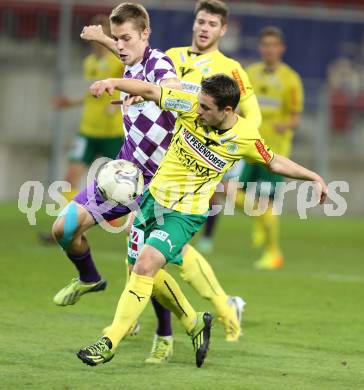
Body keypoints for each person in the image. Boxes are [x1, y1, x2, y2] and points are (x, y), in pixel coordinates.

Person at [76, 73, 327, 368]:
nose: (198, 111)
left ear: (227, 111)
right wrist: (113, 82)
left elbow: (273, 160)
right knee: (143, 274)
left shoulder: (245, 136)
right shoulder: (188, 104)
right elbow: (148, 89)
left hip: (185, 215)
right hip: (151, 203)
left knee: (145, 266)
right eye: (199, 104)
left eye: (206, 108)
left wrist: (313, 176)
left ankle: (109, 343)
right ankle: (194, 322)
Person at [52, 3, 242, 363]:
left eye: (127, 38)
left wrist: (142, 87)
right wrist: (103, 38)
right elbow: (129, 52)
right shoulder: (132, 58)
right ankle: (91, 278)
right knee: (63, 229)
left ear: (146, 35)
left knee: (146, 267)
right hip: (123, 175)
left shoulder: (159, 65)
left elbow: (169, 84)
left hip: (157, 186)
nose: (121, 46)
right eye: (118, 39)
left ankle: (169, 332)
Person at [169, 0, 262, 255]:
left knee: (166, 240)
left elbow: (254, 115)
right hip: (164, 151)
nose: (204, 28)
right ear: (194, 23)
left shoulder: (232, 69)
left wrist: (232, 144)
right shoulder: (171, 57)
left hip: (199, 154)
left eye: (212, 24)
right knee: (154, 239)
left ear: (223, 30)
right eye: (201, 22)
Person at [39, 14, 124, 244]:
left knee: (121, 182)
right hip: (87, 130)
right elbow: (92, 94)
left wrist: (117, 107)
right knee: (70, 177)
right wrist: (71, 102)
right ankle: (67, 225)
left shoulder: (118, 61)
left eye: (103, 34)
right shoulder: (90, 63)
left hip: (113, 132)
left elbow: (132, 82)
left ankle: (128, 224)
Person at [240, 27, 304, 269]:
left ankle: (273, 253)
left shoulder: (291, 79)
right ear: (260, 48)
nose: (269, 49)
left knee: (266, 202)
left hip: (274, 153)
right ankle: (261, 218)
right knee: (230, 191)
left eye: (273, 45)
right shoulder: (250, 74)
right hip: (248, 147)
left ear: (281, 49)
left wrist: (283, 125)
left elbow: (295, 118)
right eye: (265, 45)